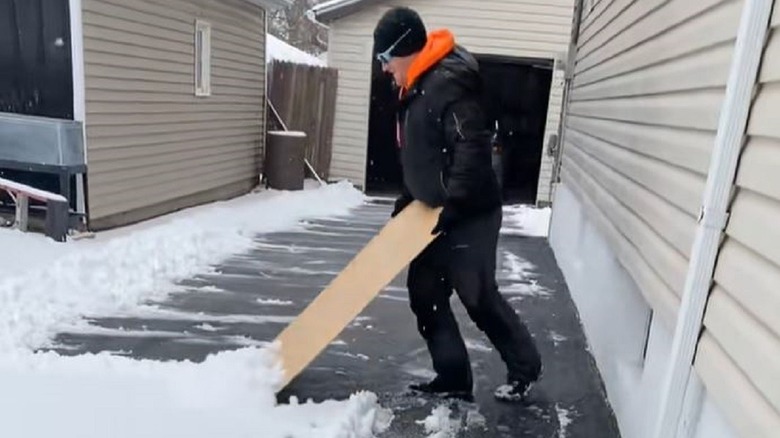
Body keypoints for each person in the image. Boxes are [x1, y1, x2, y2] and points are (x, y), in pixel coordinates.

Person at [373, 7, 542, 403]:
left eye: (385, 58)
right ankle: (452, 378)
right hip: (435, 214)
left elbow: (471, 149)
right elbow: (426, 155)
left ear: (404, 49)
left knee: (478, 296)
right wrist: (410, 198)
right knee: (425, 293)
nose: (383, 69)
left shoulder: (448, 84)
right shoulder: (416, 86)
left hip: (471, 214)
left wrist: (453, 204)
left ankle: (524, 368)